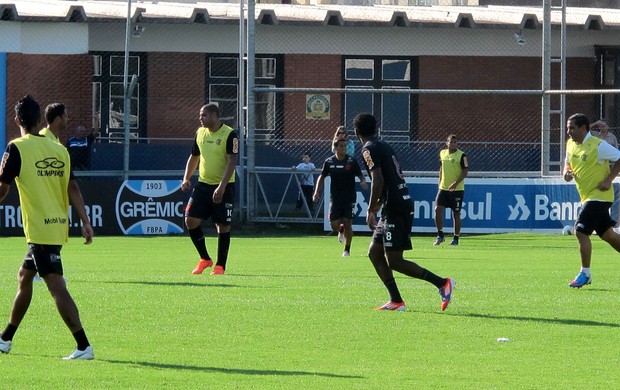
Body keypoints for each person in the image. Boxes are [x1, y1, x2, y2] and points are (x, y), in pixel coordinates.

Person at [0, 95, 95, 360]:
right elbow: (72, 187)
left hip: (40, 230)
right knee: (24, 276)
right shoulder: (59, 150)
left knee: (55, 285)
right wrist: (85, 222)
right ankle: (5, 339)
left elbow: (2, 188)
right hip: (56, 227)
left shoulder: (16, 147)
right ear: (40, 120)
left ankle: (83, 345)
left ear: (18, 120)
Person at [354, 112, 454, 311]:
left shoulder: (368, 149)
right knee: (374, 253)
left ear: (356, 132)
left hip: (396, 207)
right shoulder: (383, 145)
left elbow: (378, 179)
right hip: (396, 204)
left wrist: (371, 208)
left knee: (395, 261)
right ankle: (396, 301)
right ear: (376, 129)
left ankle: (443, 283)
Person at [563, 113, 620, 288]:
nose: (568, 131)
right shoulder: (571, 144)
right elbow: (568, 164)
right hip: (586, 196)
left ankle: (585, 273)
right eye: (567, 127)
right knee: (609, 236)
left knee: (580, 231)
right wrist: (566, 173)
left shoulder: (598, 146)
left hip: (600, 197)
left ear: (583, 128)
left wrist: (609, 179)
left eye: (572, 127)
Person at [182, 103, 238, 276]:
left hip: (224, 186)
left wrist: (221, 186)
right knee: (190, 220)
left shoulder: (230, 134)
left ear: (214, 116)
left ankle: (220, 266)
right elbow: (194, 156)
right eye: (200, 115)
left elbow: (232, 161)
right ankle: (205, 259)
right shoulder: (200, 133)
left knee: (222, 225)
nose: (201, 118)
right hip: (203, 185)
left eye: (204, 115)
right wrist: (186, 178)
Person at [313, 138, 369, 257]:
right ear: (335, 148)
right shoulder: (329, 162)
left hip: (349, 198)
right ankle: (340, 229)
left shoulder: (351, 161)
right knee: (334, 225)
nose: (344, 149)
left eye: (345, 146)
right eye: (341, 146)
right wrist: (316, 192)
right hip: (335, 198)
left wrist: (363, 181)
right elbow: (322, 177)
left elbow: (360, 175)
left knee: (348, 222)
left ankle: (347, 250)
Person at [433, 134, 469, 246]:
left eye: (455, 142)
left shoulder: (462, 155)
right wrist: (440, 183)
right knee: (437, 209)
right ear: (446, 143)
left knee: (456, 213)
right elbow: (441, 169)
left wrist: (455, 183)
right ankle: (440, 235)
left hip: (457, 189)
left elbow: (465, 172)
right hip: (443, 188)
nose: (453, 144)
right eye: (451, 142)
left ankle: (456, 238)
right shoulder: (442, 153)